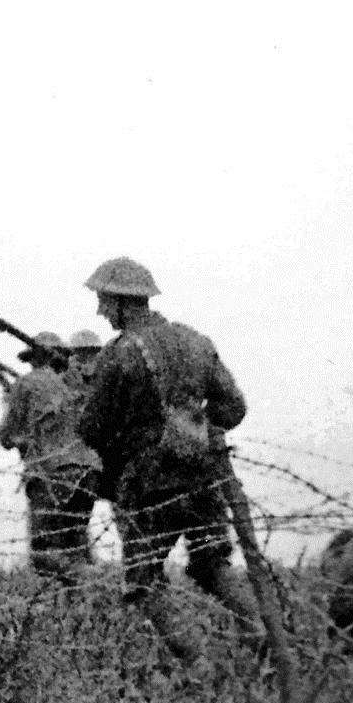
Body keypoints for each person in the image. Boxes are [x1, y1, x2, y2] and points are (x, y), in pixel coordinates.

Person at [77, 257, 256, 661]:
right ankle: (263, 637)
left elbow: (91, 429)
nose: (100, 311)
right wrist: (193, 427)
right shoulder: (195, 341)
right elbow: (233, 409)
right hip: (204, 476)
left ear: (121, 302)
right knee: (212, 564)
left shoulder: (117, 355)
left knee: (142, 582)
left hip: (148, 484)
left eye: (104, 301)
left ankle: (201, 664)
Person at [0, 331, 100, 585]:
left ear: (34, 357)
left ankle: (93, 582)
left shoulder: (28, 383)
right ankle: (82, 604)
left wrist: (10, 402)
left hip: (51, 474)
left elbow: (7, 437)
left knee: (43, 554)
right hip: (89, 474)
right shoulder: (78, 385)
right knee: (74, 545)